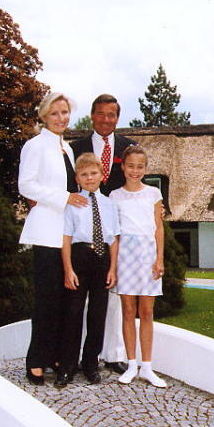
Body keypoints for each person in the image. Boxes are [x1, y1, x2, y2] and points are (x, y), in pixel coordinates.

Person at [18, 92, 86, 385]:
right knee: (46, 299)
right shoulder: (35, 146)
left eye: (65, 112)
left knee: (63, 300)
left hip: (67, 234)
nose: (62, 118)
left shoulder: (67, 150)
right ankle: (36, 360)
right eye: (56, 113)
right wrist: (63, 197)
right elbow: (26, 185)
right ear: (44, 116)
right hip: (46, 232)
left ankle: (57, 356)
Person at [70, 94, 137, 374]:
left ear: (117, 118)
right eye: (101, 114)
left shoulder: (128, 147)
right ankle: (74, 358)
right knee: (77, 302)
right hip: (82, 229)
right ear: (92, 115)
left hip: (116, 228)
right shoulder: (75, 148)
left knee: (112, 295)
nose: (106, 119)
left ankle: (112, 354)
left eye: (111, 115)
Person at [58, 152, 120, 388]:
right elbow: (66, 238)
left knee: (97, 315)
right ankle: (67, 365)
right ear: (77, 178)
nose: (89, 177)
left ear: (101, 175)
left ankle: (91, 363)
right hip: (79, 257)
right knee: (73, 313)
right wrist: (68, 269)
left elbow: (113, 239)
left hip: (102, 259)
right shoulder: (73, 203)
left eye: (93, 173)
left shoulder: (109, 204)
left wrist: (112, 268)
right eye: (84, 174)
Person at [110, 145, 167, 387]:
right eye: (131, 166)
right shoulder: (115, 196)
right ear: (123, 167)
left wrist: (159, 258)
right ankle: (131, 364)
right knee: (127, 310)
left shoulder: (153, 194)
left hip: (147, 254)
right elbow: (114, 234)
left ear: (145, 168)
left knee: (146, 311)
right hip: (125, 254)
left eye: (140, 167)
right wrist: (113, 266)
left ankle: (147, 367)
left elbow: (158, 227)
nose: (135, 171)